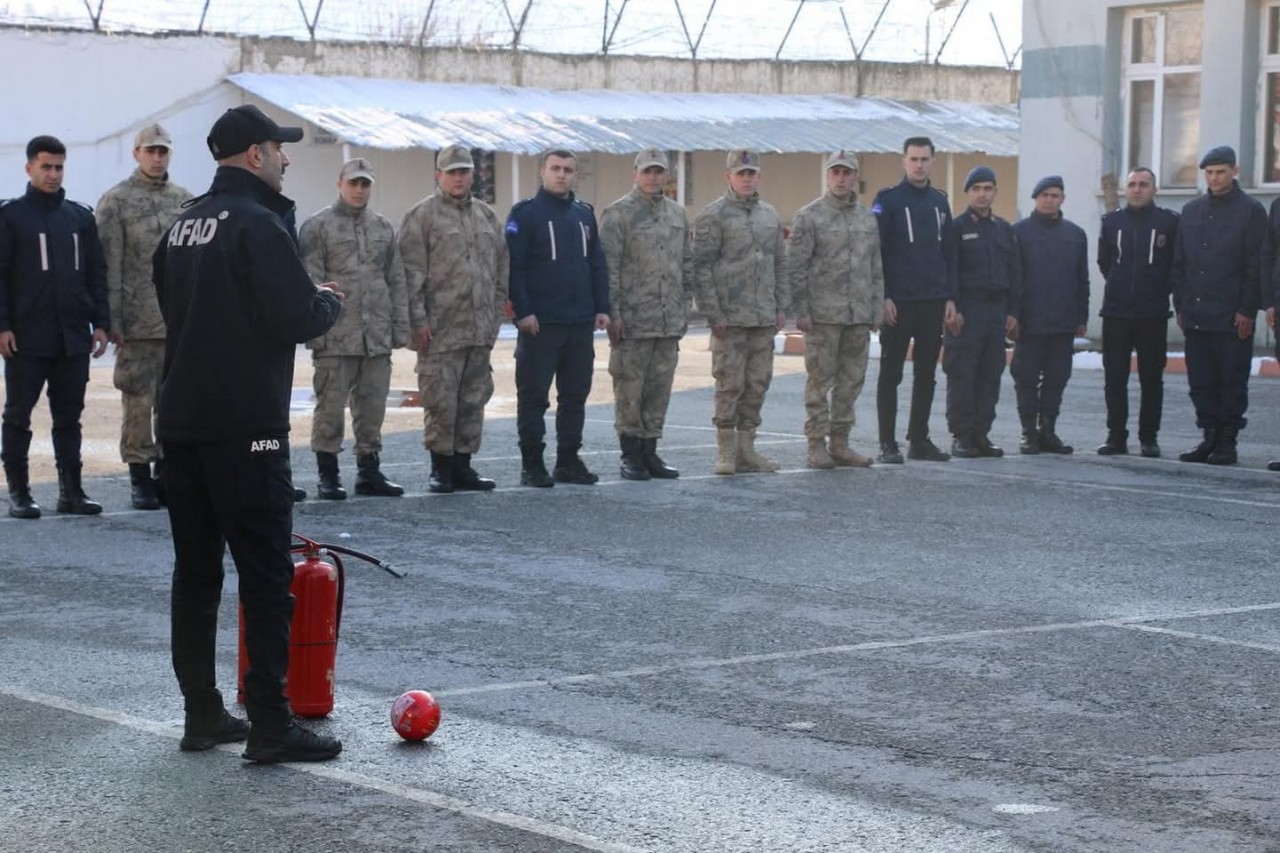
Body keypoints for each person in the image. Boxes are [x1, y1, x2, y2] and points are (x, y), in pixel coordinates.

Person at [153, 104, 343, 763]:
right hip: (246, 429)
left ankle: (202, 712)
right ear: (255, 155)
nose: (287, 158)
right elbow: (297, 315)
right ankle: (269, 722)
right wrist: (329, 299)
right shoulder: (259, 223)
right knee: (265, 573)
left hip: (181, 424)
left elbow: (172, 303)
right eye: (279, 148)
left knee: (196, 573)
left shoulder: (182, 225)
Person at [0, 135, 109, 520]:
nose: (53, 174)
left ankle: (72, 492)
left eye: (59, 166)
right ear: (29, 167)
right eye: (45, 166)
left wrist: (102, 323)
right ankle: (19, 493)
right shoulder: (11, 216)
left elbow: (96, 273)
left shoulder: (80, 217)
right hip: (27, 337)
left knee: (69, 417)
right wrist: (3, 326)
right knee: (18, 415)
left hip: (72, 336)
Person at [398, 144, 509, 493]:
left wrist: (493, 317)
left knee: (473, 398)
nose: (459, 178)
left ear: (474, 174)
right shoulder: (423, 216)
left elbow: (500, 269)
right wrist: (418, 322)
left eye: (465, 171)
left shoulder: (487, 217)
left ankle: (463, 465)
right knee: (440, 400)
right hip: (439, 329)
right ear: (439, 175)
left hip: (478, 328)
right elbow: (410, 274)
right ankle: (440, 468)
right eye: (452, 172)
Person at [298, 157, 408, 500]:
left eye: (365, 184)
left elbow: (396, 278)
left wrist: (399, 326)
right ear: (339, 184)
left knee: (372, 406)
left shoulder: (383, 228)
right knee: (330, 407)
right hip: (337, 335)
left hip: (375, 334)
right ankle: (328, 475)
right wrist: (316, 332)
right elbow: (310, 282)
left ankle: (369, 471)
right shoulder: (318, 226)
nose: (359, 190)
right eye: (353, 183)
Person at [95, 124, 193, 510]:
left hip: (178, 322)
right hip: (137, 322)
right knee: (138, 399)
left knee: (175, 403)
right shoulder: (116, 201)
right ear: (136, 153)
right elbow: (109, 264)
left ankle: (167, 473)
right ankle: (139, 474)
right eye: (150, 151)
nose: (157, 158)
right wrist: (112, 320)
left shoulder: (185, 201)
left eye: (163, 151)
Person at [505, 149, 610, 487]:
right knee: (534, 397)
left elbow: (596, 263)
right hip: (541, 324)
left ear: (575, 175)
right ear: (542, 172)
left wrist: (602, 307)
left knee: (575, 394)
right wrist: (524, 312)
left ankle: (568, 460)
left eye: (568, 170)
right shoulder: (526, 214)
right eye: (555, 169)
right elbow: (515, 267)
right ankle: (532, 463)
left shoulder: (583, 215)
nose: (562, 175)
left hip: (579, 322)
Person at [787, 149, 883, 469]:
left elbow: (876, 267)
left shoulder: (867, 218)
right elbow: (796, 267)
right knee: (819, 381)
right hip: (823, 316)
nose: (841, 178)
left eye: (847, 173)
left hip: (857, 315)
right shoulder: (810, 216)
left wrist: (875, 308)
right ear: (828, 176)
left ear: (856, 176)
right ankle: (816, 444)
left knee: (852, 380)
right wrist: (800, 309)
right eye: (836, 172)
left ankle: (840, 442)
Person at [1171, 146, 1267, 467]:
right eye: (1209, 173)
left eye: (1221, 172)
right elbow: (1180, 263)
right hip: (1196, 313)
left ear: (1235, 171)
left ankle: (1227, 441)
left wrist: (1247, 310)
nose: (1214, 178)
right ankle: (1208, 437)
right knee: (1201, 380)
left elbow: (1255, 266)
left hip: (1231, 315)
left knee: (1231, 380)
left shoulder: (1250, 210)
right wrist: (1181, 304)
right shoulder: (1192, 211)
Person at [693, 148, 786, 475]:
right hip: (729, 319)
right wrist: (712, 312)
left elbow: (780, 263)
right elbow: (701, 268)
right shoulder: (713, 216)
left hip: (762, 317)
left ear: (759, 176)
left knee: (758, 383)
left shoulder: (770, 216)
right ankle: (726, 452)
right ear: (728, 177)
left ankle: (747, 451)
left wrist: (780, 306)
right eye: (740, 173)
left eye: (752, 173)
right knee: (729, 384)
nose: (747, 179)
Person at [599, 147, 691, 481]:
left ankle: (651, 452)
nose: (653, 177)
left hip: (668, 321)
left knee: (658, 389)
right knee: (629, 389)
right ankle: (630, 455)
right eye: (647, 171)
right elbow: (609, 268)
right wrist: (614, 313)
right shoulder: (618, 214)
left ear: (667, 175)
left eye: (659, 171)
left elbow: (686, 264)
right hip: (633, 321)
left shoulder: (677, 215)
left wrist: (684, 307)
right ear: (635, 173)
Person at [872, 136, 958, 464]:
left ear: (932, 161)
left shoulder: (940, 201)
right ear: (903, 161)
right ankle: (887, 443)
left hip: (932, 301)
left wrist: (950, 297)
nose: (919, 164)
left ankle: (919, 440)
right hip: (899, 303)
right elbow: (876, 251)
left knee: (926, 373)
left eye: (925, 159)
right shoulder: (887, 200)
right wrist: (884, 295)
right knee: (890, 373)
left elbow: (948, 252)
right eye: (914, 159)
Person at [1095, 168, 1178, 458]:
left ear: (1154, 189)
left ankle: (1148, 438)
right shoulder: (1111, 222)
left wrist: (1158, 290)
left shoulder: (1168, 222)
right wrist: (1120, 287)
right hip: (1116, 314)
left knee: (1151, 379)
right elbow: (1105, 262)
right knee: (1114, 378)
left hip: (1152, 314)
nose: (1137, 189)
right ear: (1124, 189)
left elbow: (1175, 265)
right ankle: (1116, 436)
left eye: (1144, 184)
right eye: (1132, 185)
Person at [943, 165, 1021, 458]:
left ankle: (981, 434)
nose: (982, 194)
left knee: (990, 374)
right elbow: (948, 268)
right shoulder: (956, 227)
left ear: (995, 192)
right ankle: (961, 436)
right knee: (962, 373)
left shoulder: (1004, 229)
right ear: (967, 193)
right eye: (976, 189)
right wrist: (952, 304)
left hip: (996, 310)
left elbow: (1015, 273)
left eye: (988, 188)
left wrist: (1013, 311)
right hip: (967, 310)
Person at [1010, 176, 1089, 455]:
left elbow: (1082, 279)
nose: (1049, 199)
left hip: (1062, 322)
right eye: (1044, 194)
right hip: (1029, 323)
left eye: (1055, 195)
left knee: (1057, 380)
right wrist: (1013, 316)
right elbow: (1013, 278)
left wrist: (1082, 316)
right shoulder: (1018, 232)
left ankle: (1048, 431)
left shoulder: (1075, 234)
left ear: (1062, 199)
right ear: (1035, 198)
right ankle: (1028, 433)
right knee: (1026, 380)